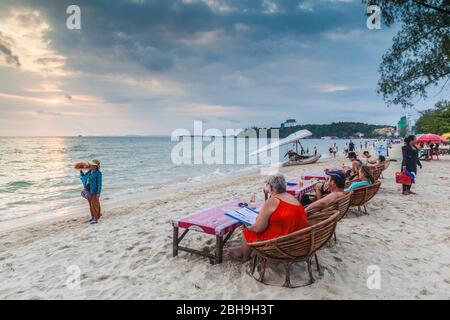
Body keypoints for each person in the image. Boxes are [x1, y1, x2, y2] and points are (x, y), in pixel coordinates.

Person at [231, 174, 308, 261]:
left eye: (267, 186)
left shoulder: (272, 201)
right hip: (298, 240)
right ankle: (242, 251)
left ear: (271, 188)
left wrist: (250, 226)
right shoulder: (292, 197)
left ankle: (245, 258)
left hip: (283, 245)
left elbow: (258, 229)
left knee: (247, 232)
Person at [80, 159, 103, 224]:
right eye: (91, 165)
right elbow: (84, 177)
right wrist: (81, 171)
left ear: (96, 166)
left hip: (95, 191)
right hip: (89, 190)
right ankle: (93, 217)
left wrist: (98, 192)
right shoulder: (90, 172)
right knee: (90, 204)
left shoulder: (98, 173)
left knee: (94, 204)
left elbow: (99, 183)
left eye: (92, 165)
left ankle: (95, 219)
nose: (91, 166)